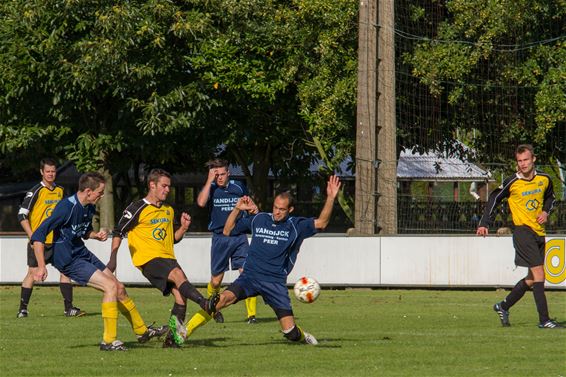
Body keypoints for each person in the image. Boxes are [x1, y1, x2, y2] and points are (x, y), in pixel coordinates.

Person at [171, 175, 342, 346]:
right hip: (249, 277)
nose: (277, 212)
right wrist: (237, 208)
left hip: (274, 282)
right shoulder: (260, 219)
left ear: (290, 210)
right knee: (219, 300)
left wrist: (331, 197)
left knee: (290, 332)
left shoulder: (296, 226)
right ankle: (184, 332)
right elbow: (227, 230)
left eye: (282, 209)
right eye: (275, 207)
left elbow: (321, 223)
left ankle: (303, 336)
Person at [31, 172, 167, 351]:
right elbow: (38, 236)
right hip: (69, 260)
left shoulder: (87, 207)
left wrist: (95, 235)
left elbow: (83, 231)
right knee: (110, 287)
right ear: (88, 191)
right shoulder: (66, 207)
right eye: (99, 193)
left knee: (119, 287)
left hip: (82, 253)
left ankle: (142, 331)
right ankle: (108, 341)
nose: (101, 196)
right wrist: (41, 266)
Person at [110, 168, 216, 348]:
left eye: (169, 186)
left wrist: (183, 228)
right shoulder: (137, 208)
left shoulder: (168, 210)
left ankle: (171, 340)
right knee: (178, 275)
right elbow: (118, 231)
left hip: (167, 257)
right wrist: (113, 258)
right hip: (148, 259)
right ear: (152, 185)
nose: (168, 190)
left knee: (181, 298)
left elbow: (172, 239)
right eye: (164, 186)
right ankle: (204, 302)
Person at [476, 144, 563, 329]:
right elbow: (494, 198)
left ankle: (503, 306)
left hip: (539, 232)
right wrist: (484, 223)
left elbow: (550, 197)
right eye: (519, 161)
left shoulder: (545, 179)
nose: (523, 164)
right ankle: (544, 320)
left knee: (532, 278)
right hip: (522, 232)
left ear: (533, 159)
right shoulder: (511, 182)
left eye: (526, 160)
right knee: (540, 273)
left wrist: (546, 212)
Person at [17, 158, 84, 318]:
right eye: (47, 171)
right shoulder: (35, 191)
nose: (50, 174)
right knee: (33, 274)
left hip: (57, 240)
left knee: (66, 270)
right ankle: (22, 309)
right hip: (39, 240)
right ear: (42, 172)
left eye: (53, 171)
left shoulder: (60, 190)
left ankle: (69, 308)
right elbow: (21, 214)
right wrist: (32, 236)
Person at [193, 159, 258, 324]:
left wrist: (253, 208)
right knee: (216, 280)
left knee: (247, 273)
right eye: (216, 175)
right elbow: (200, 202)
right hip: (220, 237)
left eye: (222, 174)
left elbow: (248, 202)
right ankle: (212, 308)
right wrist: (209, 180)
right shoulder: (212, 188)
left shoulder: (238, 187)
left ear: (228, 173)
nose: (219, 177)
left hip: (239, 236)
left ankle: (252, 315)